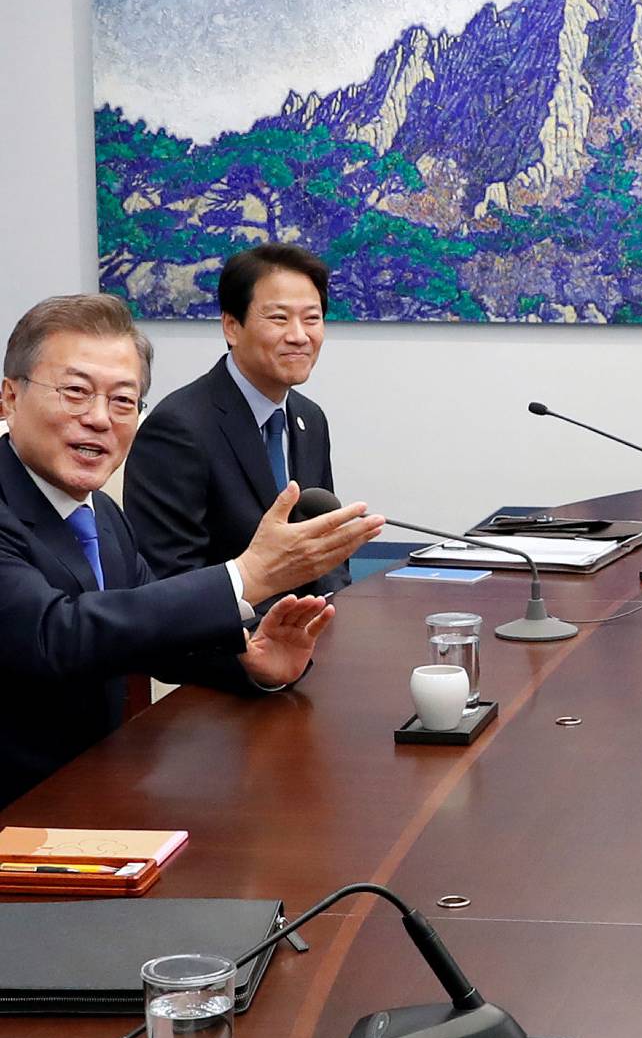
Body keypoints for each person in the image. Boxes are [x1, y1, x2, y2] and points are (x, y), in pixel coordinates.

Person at [0, 293, 383, 808]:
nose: (98, 418)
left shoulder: (100, 514)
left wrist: (250, 660)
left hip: (92, 797)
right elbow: (55, 634)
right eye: (75, 392)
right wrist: (244, 576)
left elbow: (151, 633)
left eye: (122, 401)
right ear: (9, 398)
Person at [123, 243, 349, 591]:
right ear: (231, 326)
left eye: (312, 318)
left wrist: (334, 613)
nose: (299, 336)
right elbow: (172, 579)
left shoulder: (309, 418)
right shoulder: (179, 428)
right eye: (279, 318)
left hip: (307, 634)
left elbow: (325, 550)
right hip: (228, 637)